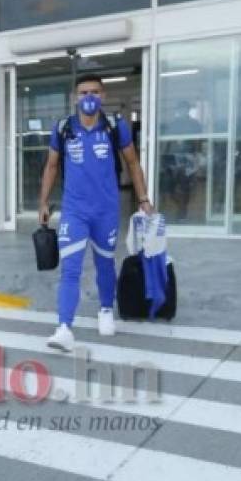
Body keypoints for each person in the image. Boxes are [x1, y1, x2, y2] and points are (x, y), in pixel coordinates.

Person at [39, 73, 154, 352]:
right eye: (83, 93)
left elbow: (133, 163)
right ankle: (64, 327)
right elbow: (52, 166)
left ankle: (105, 309)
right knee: (70, 269)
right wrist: (43, 202)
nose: (88, 98)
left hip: (106, 211)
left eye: (94, 92)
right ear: (74, 98)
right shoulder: (64, 127)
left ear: (103, 96)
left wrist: (143, 198)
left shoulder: (116, 126)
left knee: (105, 264)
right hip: (74, 211)